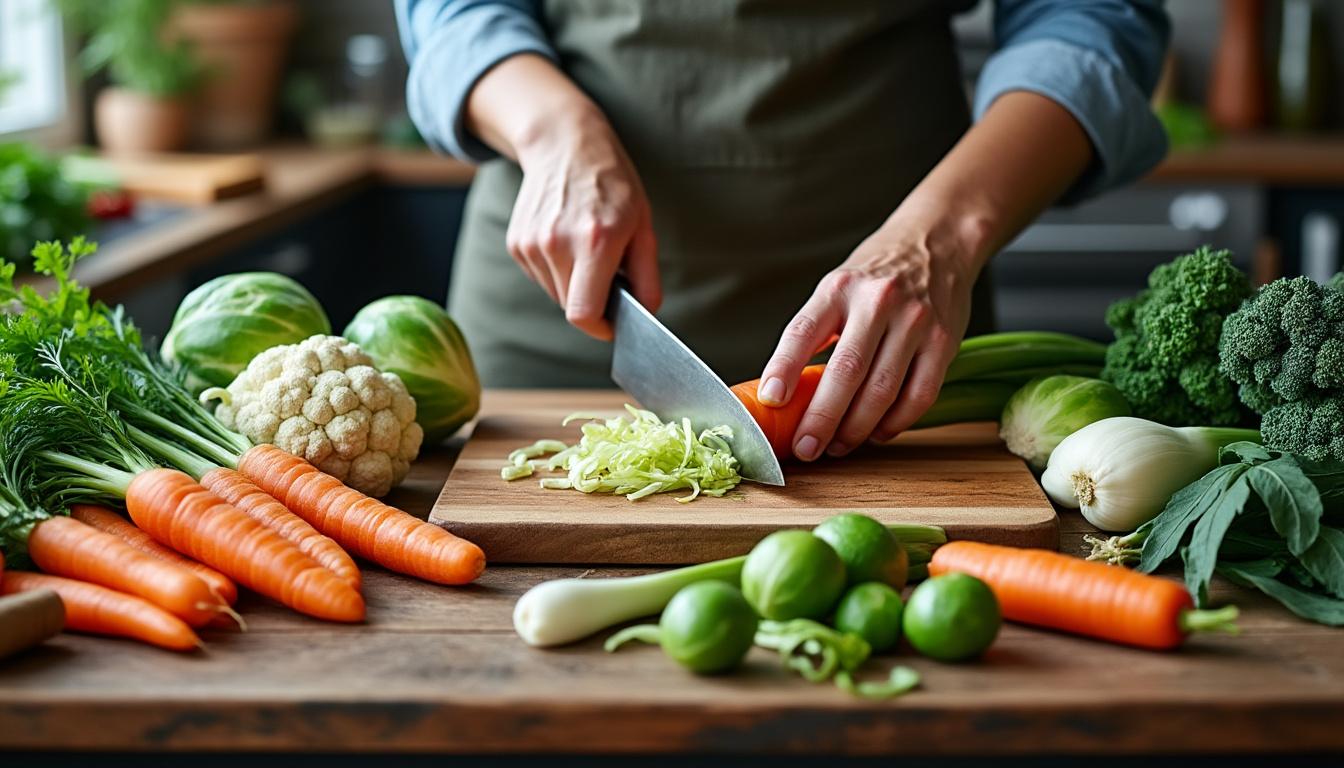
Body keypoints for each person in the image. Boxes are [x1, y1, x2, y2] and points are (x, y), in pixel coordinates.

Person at [395, 0, 1170, 462]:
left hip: (899, 304)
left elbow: (1092, 17)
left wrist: (946, 236)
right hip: (562, 290)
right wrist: (552, 130)